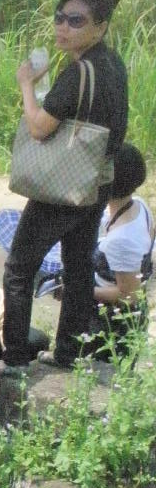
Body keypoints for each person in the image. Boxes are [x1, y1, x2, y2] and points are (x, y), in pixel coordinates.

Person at [0, 0, 128, 375]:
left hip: (63, 188)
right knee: (78, 265)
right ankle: (67, 353)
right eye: (59, 17)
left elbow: (38, 127)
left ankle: (15, 358)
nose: (63, 27)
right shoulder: (113, 65)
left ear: (99, 27)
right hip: (96, 181)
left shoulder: (78, 72)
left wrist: (27, 84)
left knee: (19, 268)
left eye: (76, 20)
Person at [90, 142, 154, 354]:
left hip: (111, 326)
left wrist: (80, 292)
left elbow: (129, 295)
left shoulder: (120, 240)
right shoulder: (139, 204)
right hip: (132, 318)